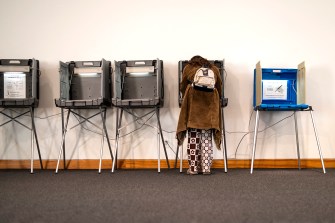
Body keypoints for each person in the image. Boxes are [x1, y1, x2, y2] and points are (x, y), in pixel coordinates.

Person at [176, 55, 222, 175]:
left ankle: (193, 169)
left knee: (193, 138)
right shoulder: (214, 69)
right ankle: (206, 168)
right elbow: (219, 87)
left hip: (193, 108)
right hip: (210, 109)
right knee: (207, 138)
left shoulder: (188, 68)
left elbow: (182, 86)